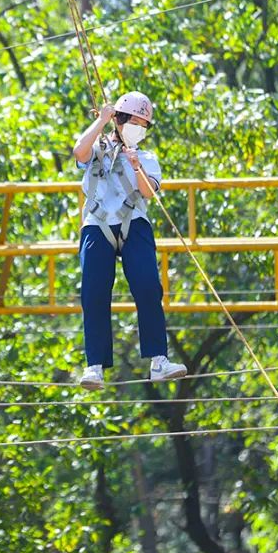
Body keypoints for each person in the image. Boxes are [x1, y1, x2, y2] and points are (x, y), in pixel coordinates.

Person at [72, 90, 187, 389]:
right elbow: (78, 153)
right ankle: (94, 365)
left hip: (133, 222)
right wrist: (101, 121)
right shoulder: (96, 147)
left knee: (148, 286)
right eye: (134, 122)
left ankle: (158, 361)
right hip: (97, 223)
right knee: (94, 292)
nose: (139, 129)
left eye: (143, 125)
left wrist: (135, 165)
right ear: (119, 120)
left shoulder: (146, 157)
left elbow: (148, 192)